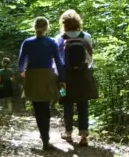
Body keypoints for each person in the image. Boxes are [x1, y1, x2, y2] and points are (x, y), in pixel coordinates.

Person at [18, 16, 65, 151]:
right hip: (47, 76)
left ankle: (44, 137)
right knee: (46, 107)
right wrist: (61, 78)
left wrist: (22, 72)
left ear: (34, 27)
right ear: (47, 27)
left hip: (33, 76)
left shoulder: (27, 42)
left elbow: (21, 62)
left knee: (37, 108)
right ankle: (46, 138)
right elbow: (58, 62)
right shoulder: (51, 42)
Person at [56, 9, 98, 147]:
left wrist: (59, 75)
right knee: (83, 103)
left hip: (64, 77)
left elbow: (56, 60)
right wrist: (84, 68)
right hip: (83, 76)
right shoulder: (86, 36)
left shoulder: (59, 38)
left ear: (63, 23)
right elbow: (90, 58)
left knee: (65, 101)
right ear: (78, 22)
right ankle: (84, 135)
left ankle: (68, 133)